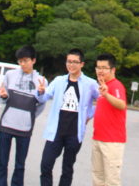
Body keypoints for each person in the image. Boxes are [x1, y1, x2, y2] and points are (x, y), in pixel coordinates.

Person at [36, 48, 100, 186]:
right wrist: (40, 92)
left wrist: (89, 114)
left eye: (75, 62)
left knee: (67, 168)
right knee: (46, 164)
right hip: (56, 131)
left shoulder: (90, 83)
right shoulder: (59, 81)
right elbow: (44, 97)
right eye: (69, 61)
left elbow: (102, 101)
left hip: (74, 133)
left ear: (82, 64)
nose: (71, 65)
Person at [0, 45, 47, 186]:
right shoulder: (10, 75)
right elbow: (2, 98)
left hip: (25, 128)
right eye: (20, 61)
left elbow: (42, 104)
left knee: (20, 164)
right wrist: (3, 96)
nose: (22, 64)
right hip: (6, 125)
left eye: (26, 60)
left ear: (33, 60)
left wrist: (30, 115)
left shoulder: (40, 81)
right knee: (2, 161)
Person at [91, 53, 127, 186]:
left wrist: (106, 94)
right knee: (98, 178)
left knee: (111, 180)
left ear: (113, 70)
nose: (100, 71)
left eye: (104, 68)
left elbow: (122, 104)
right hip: (98, 138)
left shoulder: (116, 85)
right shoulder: (102, 86)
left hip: (112, 142)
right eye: (98, 67)